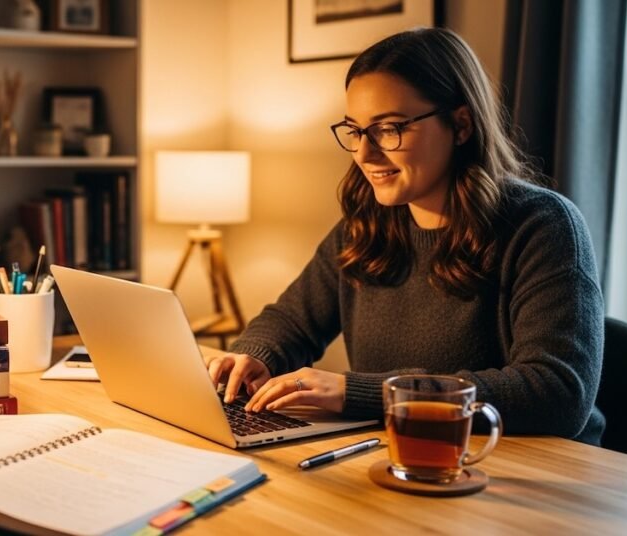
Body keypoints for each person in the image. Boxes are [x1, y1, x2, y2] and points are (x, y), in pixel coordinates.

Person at [206, 28, 605, 444]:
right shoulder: (367, 223)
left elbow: (557, 394)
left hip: (523, 471)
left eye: (389, 128)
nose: (365, 153)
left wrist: (361, 393)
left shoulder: (542, 225)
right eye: (355, 130)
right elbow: (291, 321)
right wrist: (253, 355)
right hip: (402, 452)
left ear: (461, 124)